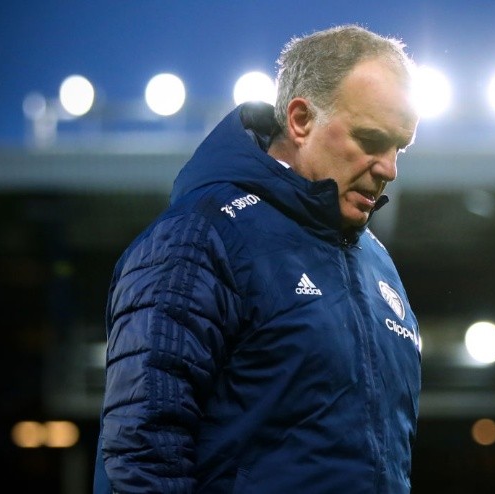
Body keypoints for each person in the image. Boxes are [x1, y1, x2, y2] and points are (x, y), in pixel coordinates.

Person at [93, 23, 422, 494]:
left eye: (399, 148)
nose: (389, 168)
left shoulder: (377, 263)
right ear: (300, 120)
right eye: (370, 140)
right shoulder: (201, 237)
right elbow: (141, 452)